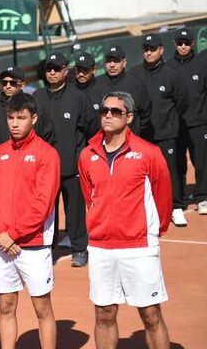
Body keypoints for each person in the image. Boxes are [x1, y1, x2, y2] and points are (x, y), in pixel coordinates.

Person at [78, 91, 172, 349]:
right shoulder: (87, 155)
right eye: (104, 110)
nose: (108, 115)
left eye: (115, 111)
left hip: (139, 246)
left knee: (151, 315)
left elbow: (163, 198)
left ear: (128, 117)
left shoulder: (149, 153)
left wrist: (151, 232)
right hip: (100, 248)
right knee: (103, 313)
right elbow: (90, 197)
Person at [0, 92, 60, 349]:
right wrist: (0, 234)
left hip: (34, 245)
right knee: (6, 305)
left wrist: (12, 234)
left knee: (42, 308)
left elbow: (43, 203)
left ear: (34, 118)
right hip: (2, 244)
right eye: (11, 118)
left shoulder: (47, 154)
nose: (15, 123)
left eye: (21, 118)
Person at [33, 52, 99, 267]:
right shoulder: (38, 97)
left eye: (56, 68)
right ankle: (47, 249)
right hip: (45, 169)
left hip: (72, 166)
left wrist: (84, 155)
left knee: (75, 210)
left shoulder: (77, 97)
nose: (52, 72)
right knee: (46, 211)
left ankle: (80, 248)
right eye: (49, 69)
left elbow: (92, 128)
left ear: (65, 71)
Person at [128, 33, 188, 227]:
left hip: (166, 134)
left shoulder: (172, 74)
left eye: (152, 49)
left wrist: (169, 122)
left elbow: (182, 102)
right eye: (146, 49)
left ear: (161, 50)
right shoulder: (134, 74)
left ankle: (176, 207)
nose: (149, 52)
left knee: (170, 172)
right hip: (141, 136)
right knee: (141, 174)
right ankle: (146, 209)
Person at [166, 28, 207, 215]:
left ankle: (202, 197)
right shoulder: (168, 67)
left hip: (199, 122)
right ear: (174, 44)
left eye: (186, 43)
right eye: (180, 43)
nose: (183, 46)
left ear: (192, 44)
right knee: (178, 164)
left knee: (202, 162)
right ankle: (179, 199)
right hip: (176, 126)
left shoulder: (201, 64)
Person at [0, 66, 55, 145]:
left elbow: (48, 135)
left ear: (22, 85)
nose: (8, 86)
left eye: (13, 83)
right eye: (4, 83)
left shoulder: (33, 106)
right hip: (2, 156)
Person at [96, 45, 152, 139]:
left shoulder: (135, 84)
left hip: (130, 139)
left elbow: (146, 113)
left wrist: (136, 132)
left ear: (124, 63)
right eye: (109, 61)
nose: (112, 65)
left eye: (116, 61)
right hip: (103, 140)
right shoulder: (96, 84)